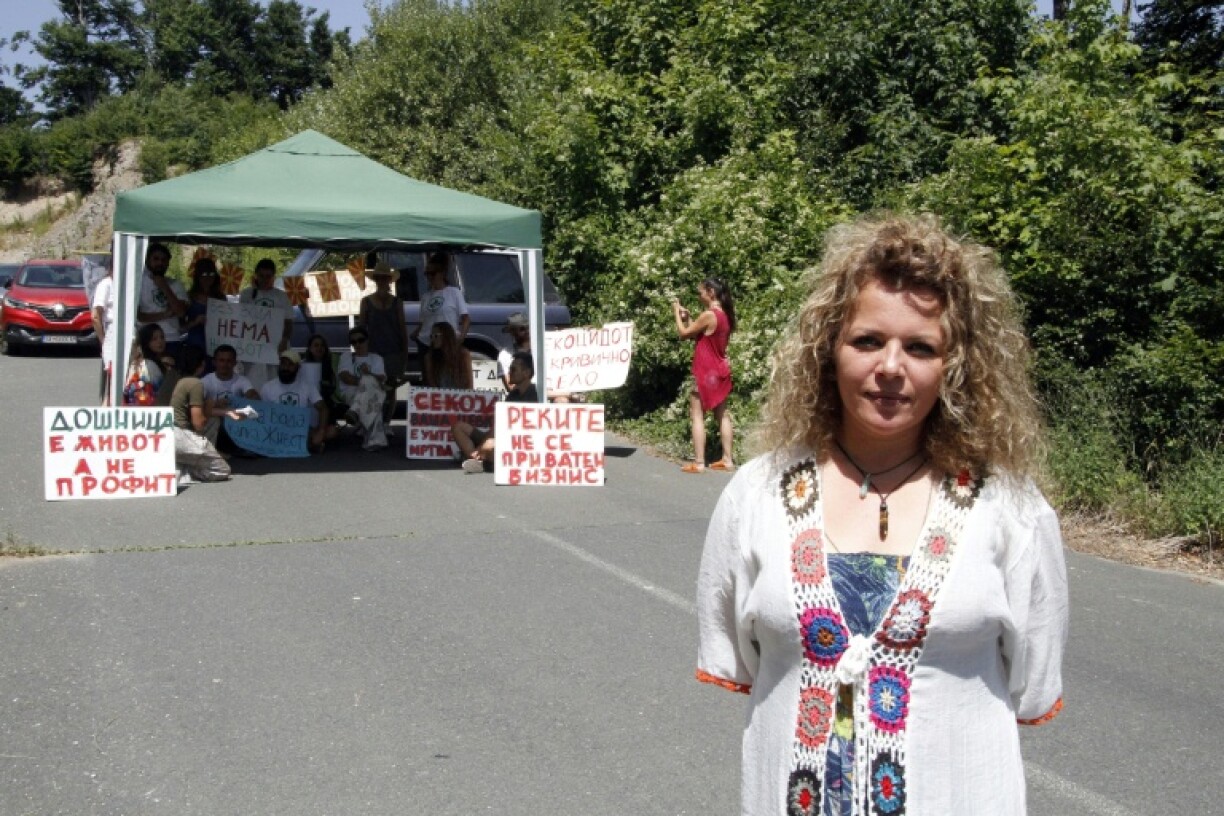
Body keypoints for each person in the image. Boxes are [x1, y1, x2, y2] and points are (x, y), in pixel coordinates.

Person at [695, 214, 1068, 816]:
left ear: (956, 365)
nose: (891, 366)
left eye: (920, 347)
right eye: (867, 340)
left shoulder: (1011, 510)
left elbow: (1031, 683)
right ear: (828, 350)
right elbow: (743, 655)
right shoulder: (757, 494)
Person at [673, 277, 736, 472]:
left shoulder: (709, 314)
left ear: (710, 292)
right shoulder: (726, 314)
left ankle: (699, 462)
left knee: (697, 414)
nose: (699, 295)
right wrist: (688, 319)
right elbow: (701, 336)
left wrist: (676, 313)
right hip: (720, 370)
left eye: (701, 292)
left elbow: (683, 334)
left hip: (705, 371)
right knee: (722, 415)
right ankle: (727, 459)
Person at [170, 345, 250, 484]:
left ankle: (186, 462)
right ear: (201, 364)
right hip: (180, 435)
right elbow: (198, 423)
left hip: (166, 433)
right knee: (222, 470)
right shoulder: (195, 383)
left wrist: (227, 412)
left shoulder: (172, 377)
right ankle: (189, 471)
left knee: (214, 420)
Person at [451, 351, 537, 474]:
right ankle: (479, 458)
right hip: (499, 436)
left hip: (518, 442)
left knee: (490, 445)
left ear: (526, 373)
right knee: (458, 427)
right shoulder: (513, 395)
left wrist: (484, 445)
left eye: (513, 369)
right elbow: (498, 426)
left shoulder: (535, 394)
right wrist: (482, 446)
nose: (509, 373)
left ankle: (480, 460)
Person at [359, 260, 409, 422]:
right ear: (375, 280)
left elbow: (402, 329)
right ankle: (375, 422)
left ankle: (386, 423)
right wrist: (361, 353)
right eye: (379, 278)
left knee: (391, 388)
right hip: (373, 351)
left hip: (393, 351)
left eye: (385, 278)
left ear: (389, 280)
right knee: (374, 388)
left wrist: (405, 353)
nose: (382, 281)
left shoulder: (397, 302)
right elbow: (361, 330)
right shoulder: (365, 302)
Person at [259, 349, 334, 454]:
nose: (285, 368)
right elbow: (261, 413)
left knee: (331, 431)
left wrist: (321, 432)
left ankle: (302, 444)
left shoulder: (307, 386)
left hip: (301, 430)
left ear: (298, 367)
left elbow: (323, 409)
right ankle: (307, 446)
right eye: (283, 364)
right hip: (277, 430)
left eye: (290, 365)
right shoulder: (267, 387)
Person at [239, 258, 293, 389]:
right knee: (251, 379)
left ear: (273, 277)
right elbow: (240, 319)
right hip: (253, 347)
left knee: (274, 380)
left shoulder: (282, 296)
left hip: (275, 346)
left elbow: (289, 321)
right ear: (256, 275)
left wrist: (284, 340)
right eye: (261, 276)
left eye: (268, 276)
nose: (264, 279)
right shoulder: (246, 294)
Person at [201, 344, 260, 457]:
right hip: (217, 422)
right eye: (221, 360)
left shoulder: (241, 380)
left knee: (253, 413)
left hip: (236, 421)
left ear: (234, 363)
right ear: (214, 362)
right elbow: (198, 406)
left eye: (229, 361)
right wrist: (216, 404)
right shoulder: (206, 381)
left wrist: (252, 396)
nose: (225, 364)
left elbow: (252, 394)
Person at [336, 326, 388, 451]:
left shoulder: (376, 358)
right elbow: (345, 377)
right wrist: (367, 380)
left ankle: (355, 410)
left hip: (371, 394)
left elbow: (382, 378)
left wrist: (369, 375)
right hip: (351, 392)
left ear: (367, 340)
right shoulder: (347, 356)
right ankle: (375, 440)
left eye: (361, 340)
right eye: (353, 342)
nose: (357, 344)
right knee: (370, 388)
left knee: (371, 389)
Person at [411, 251, 469, 355]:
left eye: (432, 273)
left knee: (447, 370)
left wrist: (460, 339)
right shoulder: (425, 296)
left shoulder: (454, 292)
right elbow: (423, 321)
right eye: (427, 274)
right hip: (426, 343)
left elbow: (466, 319)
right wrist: (416, 334)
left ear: (442, 273)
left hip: (447, 342)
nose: (429, 277)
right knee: (428, 371)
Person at [136, 242, 187, 359]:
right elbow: (139, 316)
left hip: (172, 339)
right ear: (147, 260)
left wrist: (164, 287)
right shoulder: (139, 283)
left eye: (164, 260)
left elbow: (181, 312)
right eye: (156, 259)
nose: (160, 263)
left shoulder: (175, 284)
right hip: (147, 341)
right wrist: (166, 313)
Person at [183, 257, 226, 364]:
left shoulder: (221, 298)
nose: (208, 278)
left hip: (215, 346)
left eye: (211, 274)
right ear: (197, 276)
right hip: (195, 345)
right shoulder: (189, 297)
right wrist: (195, 322)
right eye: (204, 274)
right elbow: (180, 327)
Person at [123, 323, 178, 406]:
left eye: (162, 337)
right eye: (154, 339)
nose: (160, 341)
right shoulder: (146, 365)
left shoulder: (165, 361)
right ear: (146, 342)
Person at [300, 333, 342, 427]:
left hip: (330, 401)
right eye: (316, 345)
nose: (319, 348)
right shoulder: (302, 365)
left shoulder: (333, 363)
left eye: (322, 345)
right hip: (310, 401)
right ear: (310, 348)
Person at [423, 321, 474, 390]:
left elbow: (469, 384)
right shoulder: (430, 357)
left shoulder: (463, 354)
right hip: (440, 396)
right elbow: (432, 385)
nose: (433, 339)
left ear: (446, 336)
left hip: (461, 395)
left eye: (436, 336)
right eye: (431, 336)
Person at [91, 262, 115, 404]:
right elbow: (95, 316)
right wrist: (103, 340)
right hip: (112, 332)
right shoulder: (105, 284)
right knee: (112, 378)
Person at [497, 312, 531, 391]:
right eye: (522, 329)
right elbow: (510, 386)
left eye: (529, 327)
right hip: (521, 397)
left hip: (546, 393)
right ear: (512, 332)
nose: (527, 331)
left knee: (561, 400)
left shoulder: (542, 349)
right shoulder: (505, 355)